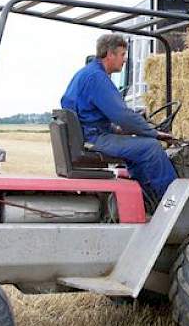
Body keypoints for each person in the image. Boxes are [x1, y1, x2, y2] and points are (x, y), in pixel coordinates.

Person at [61, 33, 176, 202]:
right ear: (110, 54)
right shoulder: (97, 78)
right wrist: (154, 132)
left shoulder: (88, 73)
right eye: (122, 55)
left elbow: (91, 115)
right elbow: (122, 115)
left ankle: (146, 199)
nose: (124, 60)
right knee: (151, 147)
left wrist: (118, 130)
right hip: (93, 138)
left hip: (89, 134)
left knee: (136, 148)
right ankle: (173, 201)